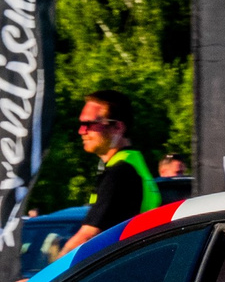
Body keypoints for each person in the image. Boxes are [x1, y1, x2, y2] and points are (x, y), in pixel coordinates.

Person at [58, 91, 160, 256]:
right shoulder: (133, 162)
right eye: (81, 124)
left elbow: (87, 236)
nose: (82, 131)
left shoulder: (120, 172)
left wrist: (50, 277)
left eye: (90, 124)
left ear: (117, 128)